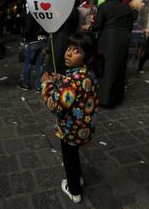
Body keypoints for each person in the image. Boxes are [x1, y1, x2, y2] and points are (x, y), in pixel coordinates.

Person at [40, 31, 99, 204]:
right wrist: (61, 79)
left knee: (69, 159)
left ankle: (74, 190)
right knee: (74, 155)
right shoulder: (86, 74)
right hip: (84, 128)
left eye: (77, 51)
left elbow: (56, 105)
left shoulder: (71, 81)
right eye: (69, 48)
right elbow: (76, 89)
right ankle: (78, 178)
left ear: (86, 56)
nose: (69, 53)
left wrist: (47, 85)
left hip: (70, 129)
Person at [88, 0, 133, 108]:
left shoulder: (104, 7)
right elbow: (130, 26)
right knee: (119, 66)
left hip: (108, 38)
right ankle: (117, 97)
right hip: (123, 38)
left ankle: (104, 98)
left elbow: (97, 26)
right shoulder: (126, 7)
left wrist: (90, 27)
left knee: (107, 66)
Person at [18, 13, 48, 92]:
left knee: (28, 63)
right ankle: (39, 86)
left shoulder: (32, 13)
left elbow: (27, 29)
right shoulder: (45, 13)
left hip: (33, 41)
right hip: (44, 40)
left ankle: (25, 84)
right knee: (40, 64)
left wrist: (25, 37)